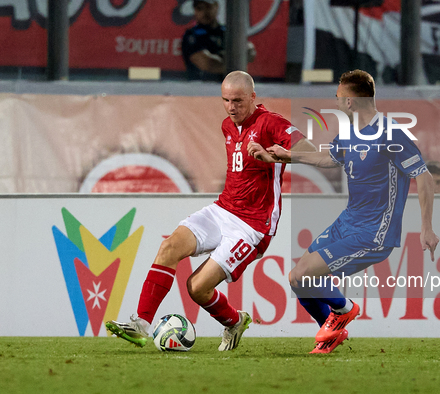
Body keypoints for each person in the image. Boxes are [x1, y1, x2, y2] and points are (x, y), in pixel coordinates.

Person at [106, 71, 310, 351]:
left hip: (252, 226)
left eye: (238, 100)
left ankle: (235, 321)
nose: (231, 107)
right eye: (225, 100)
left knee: (196, 287)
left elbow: (310, 151)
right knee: (169, 247)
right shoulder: (228, 126)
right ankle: (141, 323)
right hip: (222, 210)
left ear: (253, 97)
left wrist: (278, 155)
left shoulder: (271, 123)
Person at [248, 70, 439, 353]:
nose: (335, 101)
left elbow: (423, 176)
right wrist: (285, 155)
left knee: (307, 276)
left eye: (338, 97)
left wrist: (427, 227)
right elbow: (328, 158)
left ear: (350, 102)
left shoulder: (391, 133)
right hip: (348, 221)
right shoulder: (350, 134)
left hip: (375, 232)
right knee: (297, 279)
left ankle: (345, 308)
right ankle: (332, 331)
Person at [181, 0, 256, 81]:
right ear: (195, 11)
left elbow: (249, 51)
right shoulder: (192, 35)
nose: (205, 12)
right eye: (200, 9)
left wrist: (241, 54)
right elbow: (208, 64)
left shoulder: (227, 32)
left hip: (229, 85)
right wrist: (234, 61)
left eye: (208, 7)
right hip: (200, 86)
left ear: (216, 7)